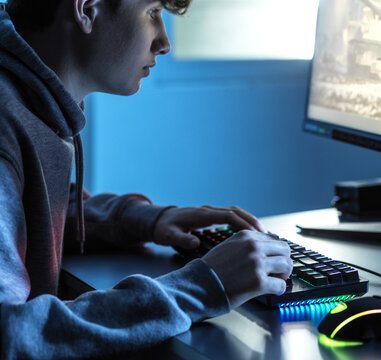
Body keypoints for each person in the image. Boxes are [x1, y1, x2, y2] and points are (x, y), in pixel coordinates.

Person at [0, 0, 293, 358]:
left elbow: (24, 208)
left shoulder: (24, 98)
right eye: (153, 12)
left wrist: (146, 219)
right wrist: (201, 287)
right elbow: (9, 333)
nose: (164, 43)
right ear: (87, 9)